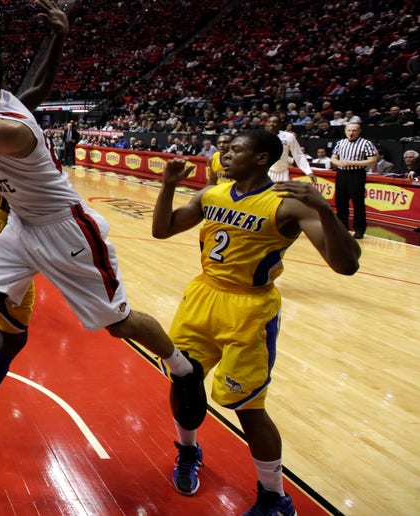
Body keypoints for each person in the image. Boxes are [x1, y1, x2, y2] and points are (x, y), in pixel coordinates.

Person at [0, 43, 205, 466]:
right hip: (21, 227)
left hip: (65, 229)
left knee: (118, 323)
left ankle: (181, 366)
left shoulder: (8, 126)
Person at [151, 130, 360, 516]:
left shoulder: (287, 204)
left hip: (249, 310)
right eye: (225, 150)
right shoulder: (211, 194)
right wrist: (167, 187)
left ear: (262, 158)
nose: (225, 155)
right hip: (201, 297)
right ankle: (188, 450)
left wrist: (327, 211)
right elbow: (162, 230)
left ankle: (274, 497)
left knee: (248, 408)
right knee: (184, 381)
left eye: (236, 151)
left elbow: (346, 265)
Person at [330, 123, 379, 239]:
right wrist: (338, 163)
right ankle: (342, 227)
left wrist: (351, 162)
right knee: (340, 202)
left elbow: (372, 160)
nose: (351, 133)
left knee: (358, 203)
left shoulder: (366, 143)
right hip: (341, 174)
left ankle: (359, 229)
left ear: (359, 131)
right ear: (345, 131)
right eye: (348, 130)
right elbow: (333, 157)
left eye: (354, 131)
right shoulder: (340, 142)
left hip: (356, 174)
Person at [265, 116, 316, 183]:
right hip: (267, 172)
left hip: (283, 172)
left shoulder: (288, 136)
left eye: (274, 122)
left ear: (279, 124)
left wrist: (308, 171)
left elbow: (298, 155)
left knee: (283, 193)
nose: (271, 124)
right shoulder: (263, 137)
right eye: (270, 122)